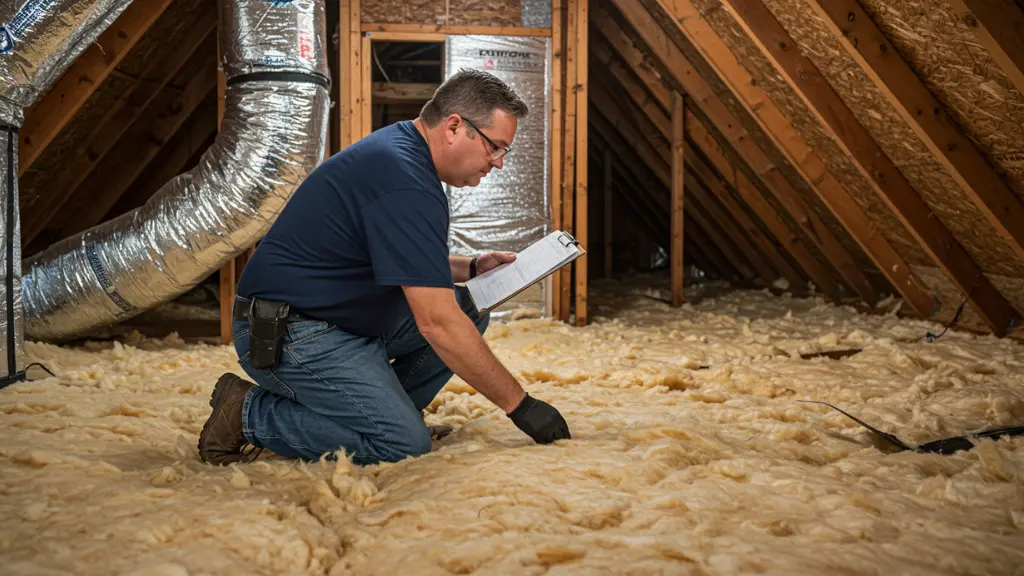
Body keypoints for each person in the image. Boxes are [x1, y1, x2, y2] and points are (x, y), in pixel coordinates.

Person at [197, 69, 571, 466]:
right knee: (403, 444)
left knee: (469, 307)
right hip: (290, 334)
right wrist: (522, 405)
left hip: (332, 318)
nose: (497, 163)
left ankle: (383, 416)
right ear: (455, 127)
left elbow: (390, 257)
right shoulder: (403, 178)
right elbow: (436, 323)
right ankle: (246, 413)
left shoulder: (404, 154)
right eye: (496, 148)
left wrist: (471, 267)